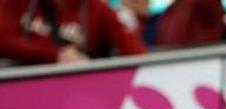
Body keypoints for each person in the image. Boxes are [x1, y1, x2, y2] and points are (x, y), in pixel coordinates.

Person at [0, 0, 146, 65]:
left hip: (78, 96)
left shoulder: (98, 10)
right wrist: (56, 55)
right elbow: (4, 41)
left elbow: (136, 54)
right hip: (24, 92)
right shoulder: (17, 4)